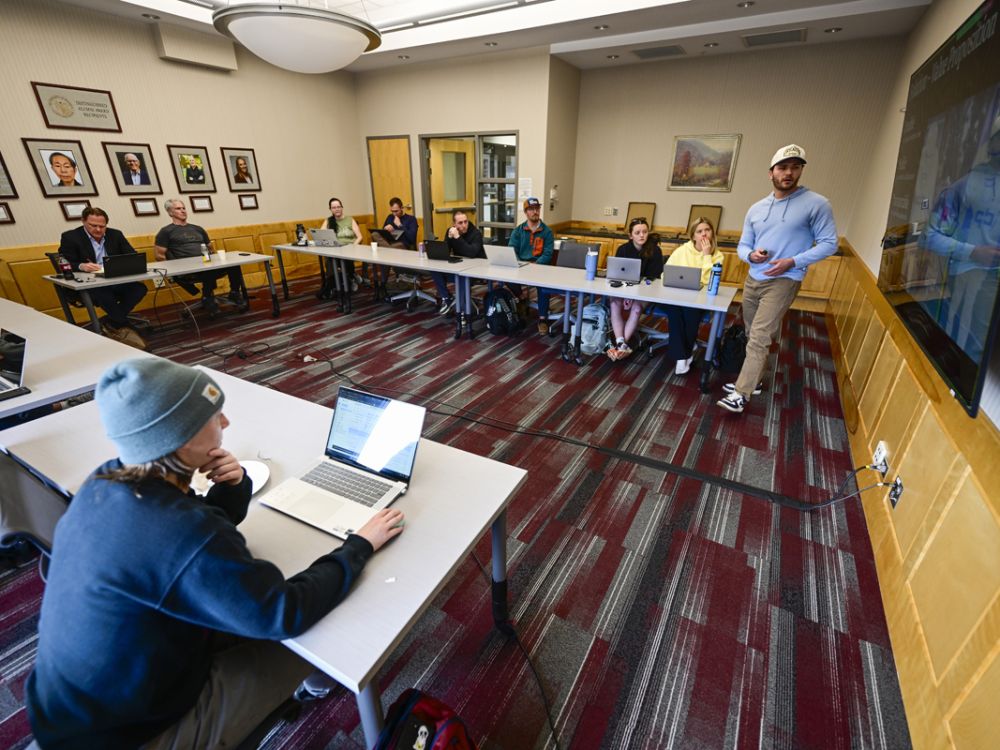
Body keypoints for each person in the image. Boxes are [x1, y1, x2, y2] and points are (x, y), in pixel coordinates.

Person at [25, 358, 404, 748]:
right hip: (132, 735)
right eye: (214, 416)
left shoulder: (106, 480)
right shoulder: (183, 530)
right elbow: (283, 612)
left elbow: (188, 547)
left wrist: (234, 485)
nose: (225, 424)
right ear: (185, 438)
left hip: (72, 707)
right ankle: (317, 683)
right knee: (320, 637)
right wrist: (358, 545)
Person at [717, 144, 838, 414]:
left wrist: (793, 261)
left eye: (796, 167)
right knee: (752, 334)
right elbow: (743, 246)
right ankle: (756, 379)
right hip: (754, 278)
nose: (789, 173)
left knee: (760, 335)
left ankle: (741, 392)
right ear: (771, 172)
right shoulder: (757, 208)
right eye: (783, 167)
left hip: (785, 278)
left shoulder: (816, 204)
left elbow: (829, 243)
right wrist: (752, 255)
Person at [921, 113, 1000, 363]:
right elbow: (929, 236)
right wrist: (973, 252)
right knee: (961, 353)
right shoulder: (965, 186)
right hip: (970, 282)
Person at [58, 207, 148, 349]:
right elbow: (64, 262)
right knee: (103, 294)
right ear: (83, 222)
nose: (98, 230)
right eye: (93, 225)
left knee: (139, 289)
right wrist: (81, 266)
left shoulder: (115, 235)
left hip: (114, 279)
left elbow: (132, 255)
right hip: (91, 283)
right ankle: (124, 324)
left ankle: (112, 322)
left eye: (102, 226)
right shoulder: (71, 237)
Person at [155, 199, 248, 317]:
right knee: (206, 269)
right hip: (187, 269)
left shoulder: (197, 229)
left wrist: (217, 260)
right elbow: (159, 255)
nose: (183, 211)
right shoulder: (166, 232)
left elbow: (211, 249)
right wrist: (173, 272)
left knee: (234, 264)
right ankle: (207, 297)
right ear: (170, 213)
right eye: (178, 209)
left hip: (206, 264)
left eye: (183, 208)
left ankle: (234, 292)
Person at [661, 216, 725, 374]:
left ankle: (682, 355)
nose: (704, 234)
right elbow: (666, 275)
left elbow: (708, 280)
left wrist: (706, 255)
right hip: (676, 295)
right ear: (693, 235)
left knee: (691, 312)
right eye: (699, 231)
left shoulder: (718, 256)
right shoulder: (682, 250)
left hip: (699, 298)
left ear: (712, 233)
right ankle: (684, 355)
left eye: (707, 230)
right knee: (675, 312)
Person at [606, 217, 664, 361]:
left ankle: (620, 345)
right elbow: (617, 275)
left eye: (644, 232)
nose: (642, 235)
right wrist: (626, 294)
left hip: (645, 291)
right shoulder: (623, 249)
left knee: (637, 308)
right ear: (630, 235)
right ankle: (621, 343)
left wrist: (632, 296)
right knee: (614, 303)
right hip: (624, 289)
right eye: (637, 232)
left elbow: (653, 280)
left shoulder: (655, 251)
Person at [508, 197, 555, 334]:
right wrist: (520, 264)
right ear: (526, 212)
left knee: (544, 285)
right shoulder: (518, 231)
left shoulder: (547, 232)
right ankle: (522, 298)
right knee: (504, 277)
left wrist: (535, 265)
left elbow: (547, 254)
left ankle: (542, 319)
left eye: (537, 209)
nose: (535, 211)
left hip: (540, 267)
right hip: (521, 266)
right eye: (531, 209)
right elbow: (512, 250)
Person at [430, 209, 485, 315]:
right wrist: (449, 239)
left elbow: (471, 252)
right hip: (458, 266)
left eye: (466, 222)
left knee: (460, 276)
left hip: (474, 271)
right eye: (460, 223)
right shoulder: (451, 231)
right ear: (454, 224)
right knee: (434, 269)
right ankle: (447, 298)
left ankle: (463, 311)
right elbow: (445, 253)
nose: (464, 225)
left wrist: (457, 237)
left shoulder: (476, 233)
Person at [371, 197, 419, 294]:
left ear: (402, 208)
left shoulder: (411, 219)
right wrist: (385, 229)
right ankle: (383, 283)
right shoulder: (390, 217)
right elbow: (382, 235)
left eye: (396, 211)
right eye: (392, 211)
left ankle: (383, 284)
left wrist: (400, 225)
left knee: (383, 254)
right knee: (374, 234)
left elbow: (412, 238)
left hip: (403, 245)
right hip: (389, 244)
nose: (394, 214)